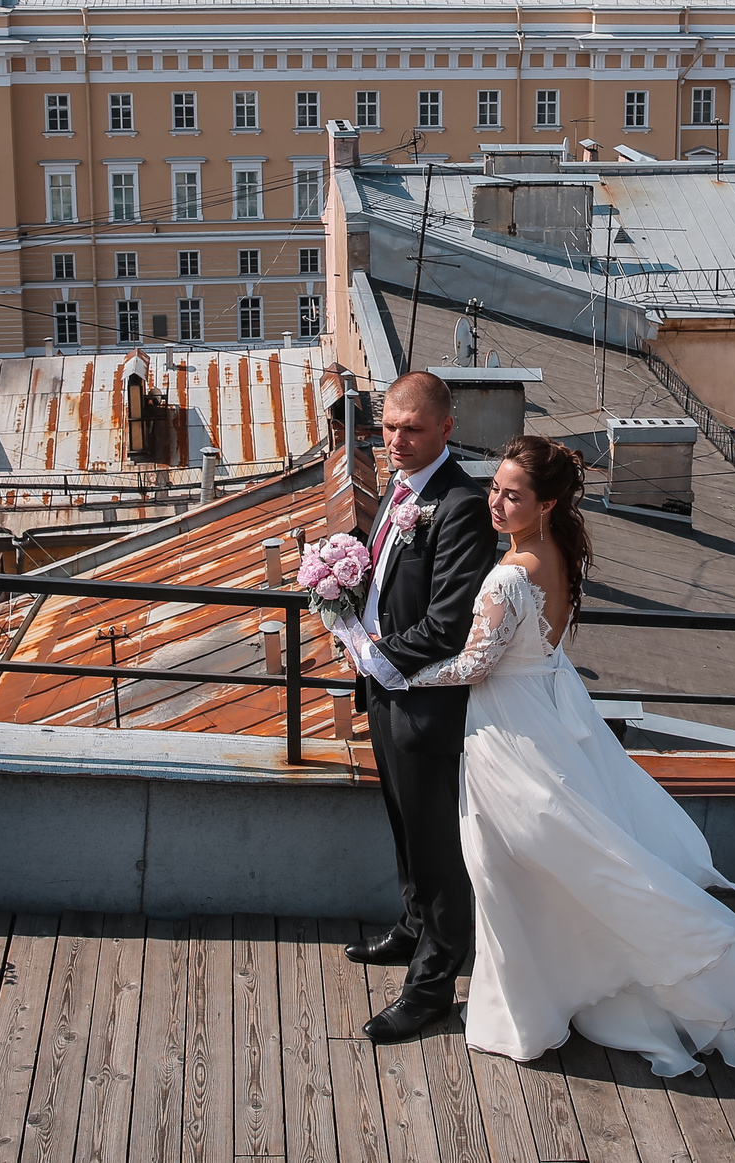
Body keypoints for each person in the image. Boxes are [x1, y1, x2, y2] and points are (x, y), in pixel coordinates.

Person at [341, 435, 735, 1076]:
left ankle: (530, 1009)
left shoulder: (512, 574)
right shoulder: (556, 553)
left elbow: (476, 664)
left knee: (502, 871)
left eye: (513, 495)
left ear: (548, 503)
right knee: (549, 865)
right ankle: (551, 992)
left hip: (508, 735)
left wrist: (386, 667)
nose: (496, 503)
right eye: (495, 488)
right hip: (546, 715)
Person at [334, 371, 497, 1044]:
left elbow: (447, 624)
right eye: (389, 427)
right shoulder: (402, 490)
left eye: (412, 429)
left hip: (426, 706)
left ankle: (432, 985)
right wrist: (341, 588)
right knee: (402, 827)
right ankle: (410, 927)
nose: (396, 441)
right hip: (383, 691)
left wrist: (374, 653)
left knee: (436, 851)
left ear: (445, 429)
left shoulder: (459, 504)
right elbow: (390, 587)